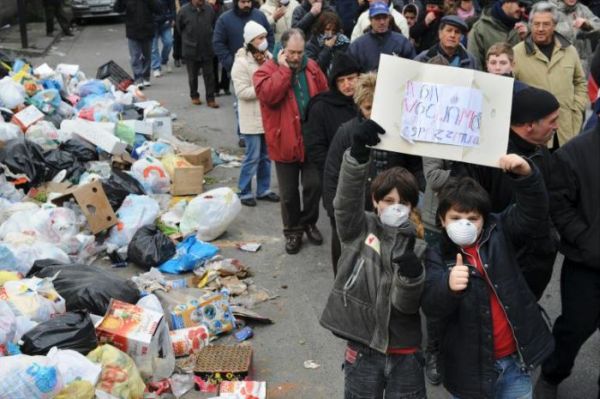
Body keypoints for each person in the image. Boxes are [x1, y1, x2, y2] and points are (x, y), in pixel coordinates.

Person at [423, 154, 555, 399]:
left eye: (472, 218)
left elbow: (533, 213)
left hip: (514, 364)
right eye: (456, 218)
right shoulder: (436, 256)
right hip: (469, 372)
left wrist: (527, 176)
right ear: (442, 220)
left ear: (485, 219)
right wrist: (447, 286)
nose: (464, 224)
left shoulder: (500, 231)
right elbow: (431, 305)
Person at [320, 122, 427, 399]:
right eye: (388, 200)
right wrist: (357, 158)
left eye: (403, 202)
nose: (395, 206)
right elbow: (344, 203)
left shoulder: (419, 246)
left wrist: (411, 277)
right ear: (375, 201)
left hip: (406, 354)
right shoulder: (359, 230)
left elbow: (405, 305)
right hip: (363, 350)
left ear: (412, 207)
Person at [453, 87, 561, 302]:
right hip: (499, 261)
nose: (557, 127)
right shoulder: (485, 157)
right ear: (530, 126)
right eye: (552, 121)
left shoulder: (542, 151)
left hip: (536, 261)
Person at [322, 72, 424, 274]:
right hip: (356, 215)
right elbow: (332, 176)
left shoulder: (401, 132)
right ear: (359, 107)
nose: (374, 113)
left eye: (379, 106)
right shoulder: (347, 133)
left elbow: (415, 168)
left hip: (395, 212)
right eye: (368, 108)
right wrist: (336, 216)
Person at [534, 105, 600, 399]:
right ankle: (552, 374)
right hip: (586, 264)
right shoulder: (573, 154)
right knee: (575, 327)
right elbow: (559, 205)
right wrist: (587, 242)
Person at [254, 29, 328, 254]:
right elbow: (268, 96)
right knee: (288, 193)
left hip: (311, 140)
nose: (296, 57)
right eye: (292, 53)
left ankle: (308, 222)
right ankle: (292, 230)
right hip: (283, 139)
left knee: (314, 186)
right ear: (282, 50)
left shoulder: (312, 67)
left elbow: (324, 95)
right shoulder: (266, 71)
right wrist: (284, 70)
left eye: (300, 52)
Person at [513, 1, 588, 149]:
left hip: (566, 129)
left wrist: (577, 109)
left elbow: (580, 82)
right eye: (536, 24)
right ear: (530, 25)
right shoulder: (516, 53)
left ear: (554, 26)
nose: (540, 29)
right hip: (533, 134)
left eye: (546, 24)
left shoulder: (569, 50)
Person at [213, 0, 274, 147]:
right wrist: (231, 63)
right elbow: (218, 43)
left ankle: (263, 131)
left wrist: (268, 55)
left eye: (249, 1)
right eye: (243, 2)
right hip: (239, 68)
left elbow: (270, 36)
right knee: (241, 102)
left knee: (262, 100)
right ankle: (244, 134)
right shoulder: (224, 19)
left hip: (262, 67)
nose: (246, 4)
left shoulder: (259, 16)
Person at [232, 21, 280, 207]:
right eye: (260, 38)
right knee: (252, 155)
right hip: (251, 117)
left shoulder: (268, 57)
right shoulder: (242, 63)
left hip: (267, 115)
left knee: (266, 156)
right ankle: (244, 190)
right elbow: (242, 92)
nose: (264, 41)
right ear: (251, 40)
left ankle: (263, 189)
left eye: (265, 37)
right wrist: (264, 89)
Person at [304, 53, 360, 178]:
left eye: (350, 78)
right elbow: (316, 146)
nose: (346, 85)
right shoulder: (321, 107)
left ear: (359, 77)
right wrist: (330, 172)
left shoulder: (368, 102)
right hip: (335, 174)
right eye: (341, 81)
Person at [348, 2, 416, 72]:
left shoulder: (402, 42)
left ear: (389, 18)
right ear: (370, 20)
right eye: (377, 18)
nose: (382, 22)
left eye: (385, 17)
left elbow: (413, 68)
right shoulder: (357, 46)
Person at [176, 0, 219, 107]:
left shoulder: (209, 9)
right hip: (191, 49)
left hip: (207, 48)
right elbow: (179, 28)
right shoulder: (183, 11)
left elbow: (214, 24)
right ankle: (194, 96)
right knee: (192, 76)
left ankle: (210, 98)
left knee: (209, 75)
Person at [114, 0, 163, 87]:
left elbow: (158, 9)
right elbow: (117, 9)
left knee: (147, 56)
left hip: (147, 30)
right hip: (133, 31)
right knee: (135, 56)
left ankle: (146, 77)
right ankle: (138, 78)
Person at [467, 0, 528, 68]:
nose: (523, 9)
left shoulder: (526, 28)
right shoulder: (480, 29)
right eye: (520, 5)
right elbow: (474, 64)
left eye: (525, 6)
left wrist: (526, 39)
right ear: (507, 2)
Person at [414, 15, 479, 68]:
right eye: (449, 30)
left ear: (461, 37)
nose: (452, 35)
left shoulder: (471, 61)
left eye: (457, 32)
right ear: (440, 33)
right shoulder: (423, 58)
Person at [554, 0, 600, 73]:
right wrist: (574, 27)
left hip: (582, 66)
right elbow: (548, 31)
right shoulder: (549, 9)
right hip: (559, 65)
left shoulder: (583, 9)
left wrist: (587, 24)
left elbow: (598, 27)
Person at [152, 0, 176, 78]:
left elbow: (172, 6)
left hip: (165, 22)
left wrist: (173, 18)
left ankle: (164, 60)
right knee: (153, 48)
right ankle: (156, 67)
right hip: (152, 23)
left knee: (169, 42)